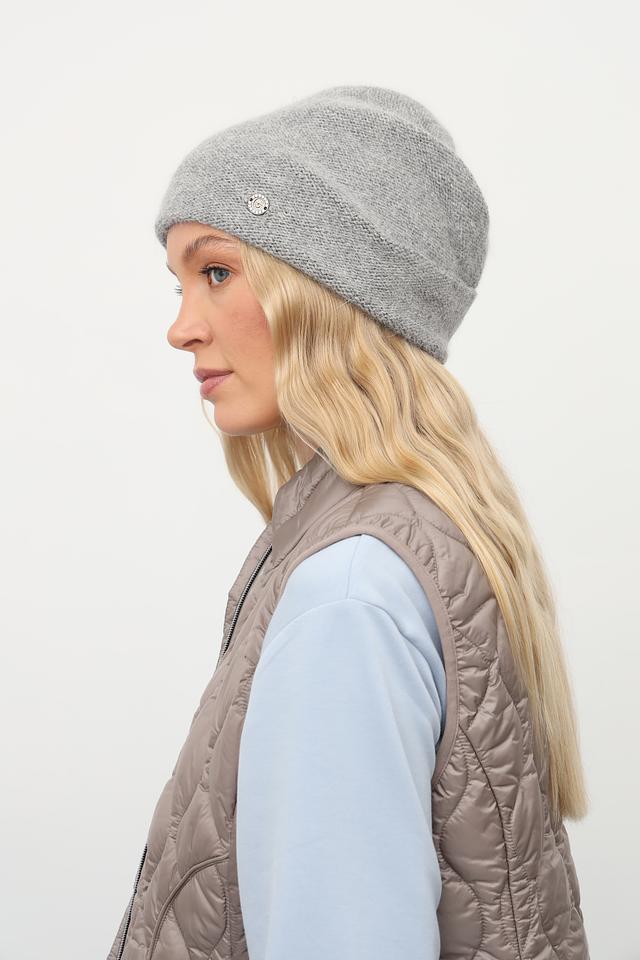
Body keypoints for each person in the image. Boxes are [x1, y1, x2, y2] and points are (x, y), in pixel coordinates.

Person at [106, 85, 591, 960]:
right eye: (180, 283)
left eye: (216, 273)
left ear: (329, 289)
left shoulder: (349, 592)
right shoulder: (408, 536)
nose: (181, 328)